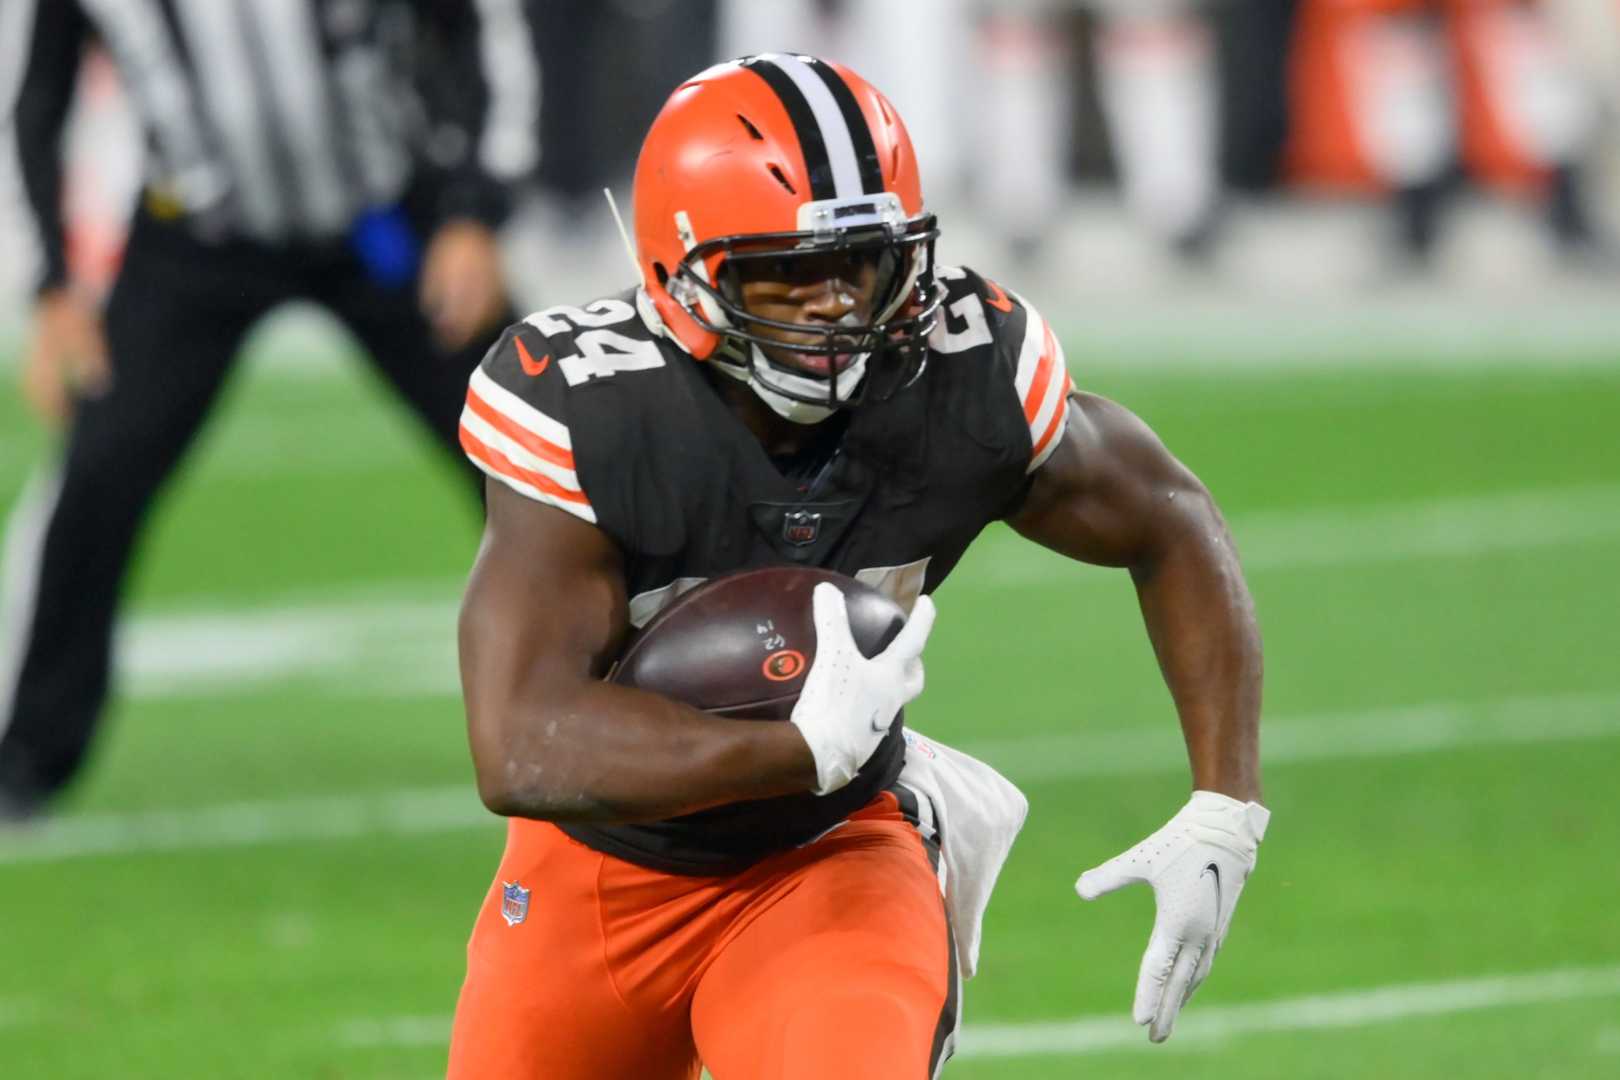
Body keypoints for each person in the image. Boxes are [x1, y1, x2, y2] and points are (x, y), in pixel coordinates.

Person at [449, 53, 1268, 1077]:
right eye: (786, 271)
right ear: (684, 271)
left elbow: (1169, 517)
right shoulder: (595, 404)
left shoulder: (963, 374)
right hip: (602, 863)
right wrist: (795, 749)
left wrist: (1226, 808)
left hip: (832, 853)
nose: (834, 303)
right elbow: (520, 744)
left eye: (861, 262)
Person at [0, 1, 539, 819]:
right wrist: (51, 286)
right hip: (196, 236)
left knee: (539, 447)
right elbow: (40, 94)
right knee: (96, 479)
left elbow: (474, 24)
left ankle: (614, 693)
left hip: (383, 221)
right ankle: (30, 757)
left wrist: (474, 212)